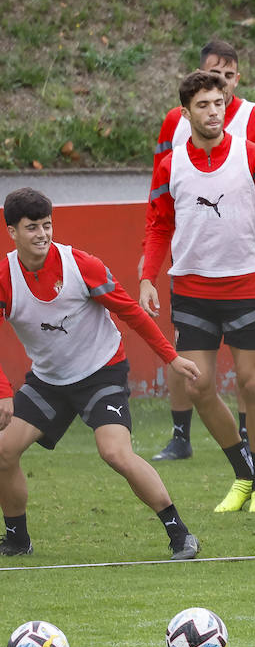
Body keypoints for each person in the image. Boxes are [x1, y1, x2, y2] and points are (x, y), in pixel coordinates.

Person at [0, 188, 202, 560]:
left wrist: (171, 358)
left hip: (101, 373)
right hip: (49, 381)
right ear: (11, 231)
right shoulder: (4, 277)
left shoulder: (81, 265)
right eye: (32, 228)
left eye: (47, 225)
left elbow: (131, 312)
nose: (42, 234)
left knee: (114, 453)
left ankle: (181, 535)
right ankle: (16, 540)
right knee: (3, 450)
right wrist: (3, 393)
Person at [140, 70, 255, 514]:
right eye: (204, 105)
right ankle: (244, 474)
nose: (214, 112)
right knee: (198, 386)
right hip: (190, 289)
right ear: (185, 112)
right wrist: (148, 277)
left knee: (252, 384)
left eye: (219, 103)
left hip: (245, 284)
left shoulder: (250, 153)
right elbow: (158, 225)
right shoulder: (171, 164)